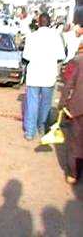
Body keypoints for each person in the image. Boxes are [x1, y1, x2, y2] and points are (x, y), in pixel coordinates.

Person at [22, 13, 66, 141]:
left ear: (39, 23)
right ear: (50, 22)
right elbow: (61, 57)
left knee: (32, 104)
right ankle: (41, 127)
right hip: (49, 76)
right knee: (46, 104)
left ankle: (30, 132)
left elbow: (26, 57)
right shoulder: (56, 37)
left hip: (34, 75)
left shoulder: (32, 36)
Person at [59, 27, 83, 184]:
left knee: (75, 141)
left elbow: (69, 83)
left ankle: (73, 174)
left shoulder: (79, 61)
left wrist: (63, 102)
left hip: (78, 108)